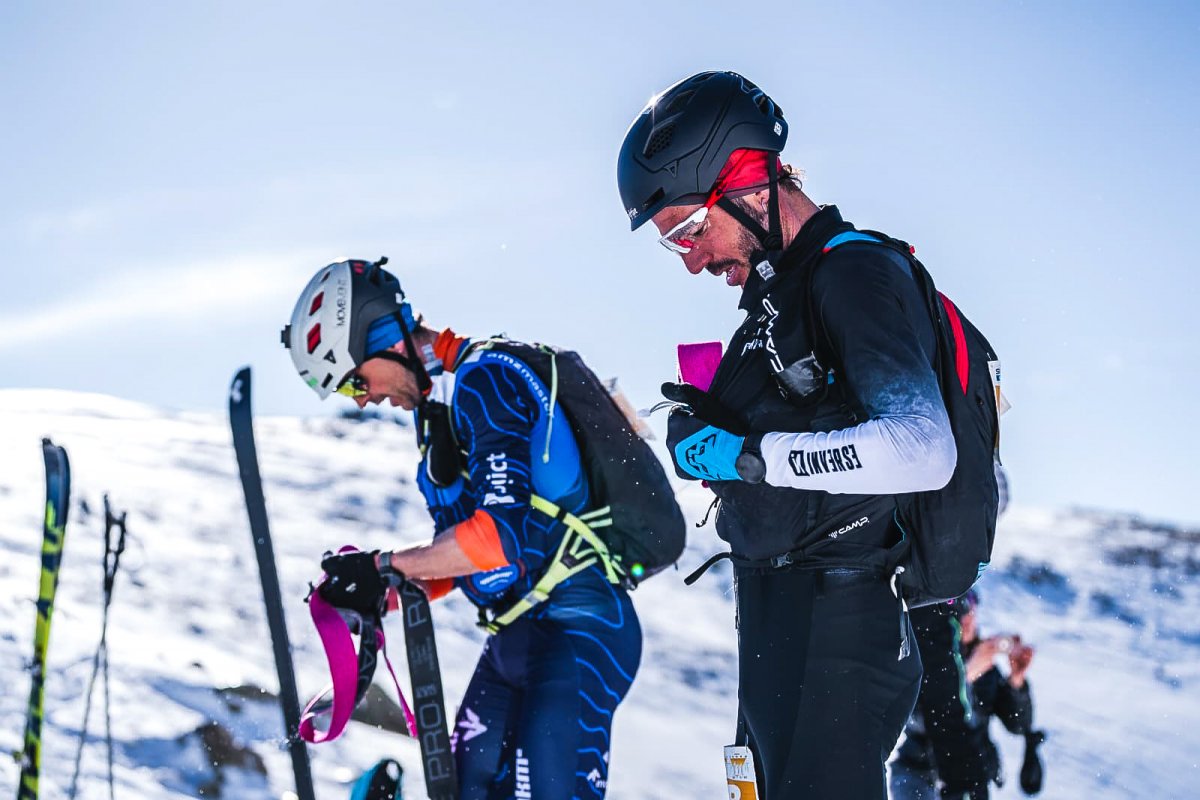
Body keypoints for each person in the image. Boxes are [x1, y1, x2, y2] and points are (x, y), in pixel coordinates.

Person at [617, 70, 962, 798]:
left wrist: (753, 457)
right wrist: (712, 434)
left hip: (836, 622)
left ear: (747, 180)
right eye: (673, 243)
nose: (691, 259)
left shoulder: (854, 271)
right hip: (786, 618)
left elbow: (923, 449)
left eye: (689, 230)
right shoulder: (784, 294)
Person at [281, 258, 643, 799]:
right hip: (514, 638)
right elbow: (465, 560)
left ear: (387, 339)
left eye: (355, 380)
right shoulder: (436, 413)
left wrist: (385, 565)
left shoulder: (485, 377)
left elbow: (500, 539)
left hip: (577, 630)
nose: (362, 399)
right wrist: (382, 591)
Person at [889, 589, 1044, 799]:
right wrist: (965, 676)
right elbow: (916, 716)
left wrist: (1016, 681)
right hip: (918, 769)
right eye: (961, 610)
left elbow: (1018, 724)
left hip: (972, 771)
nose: (968, 618)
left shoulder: (987, 670)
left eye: (972, 609)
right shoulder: (924, 658)